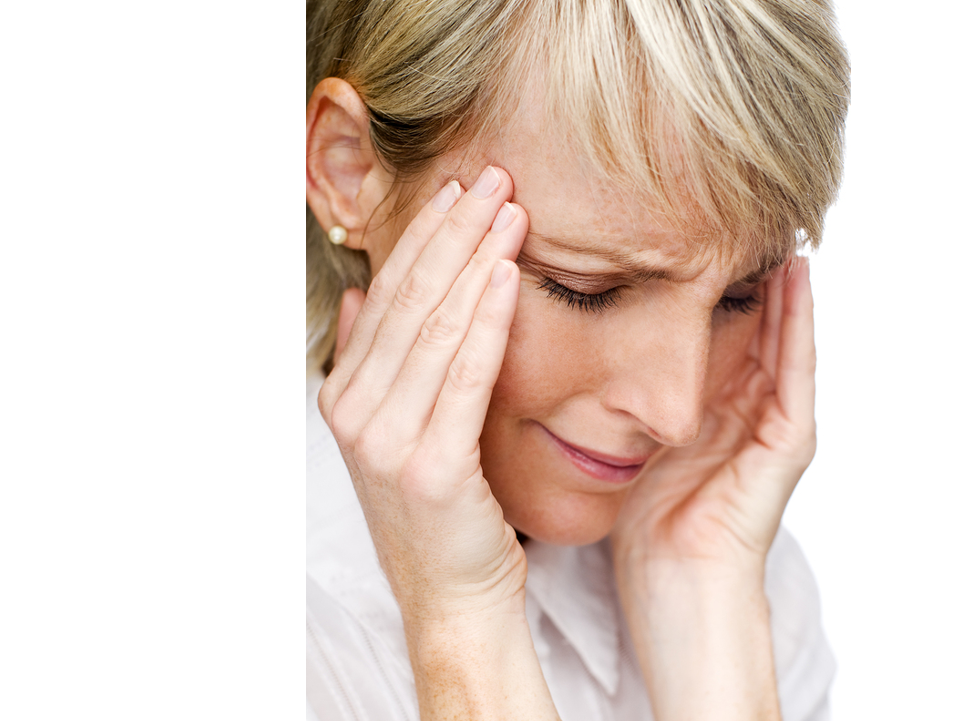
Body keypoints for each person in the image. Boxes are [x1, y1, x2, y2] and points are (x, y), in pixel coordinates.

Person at [305, 0, 849, 718]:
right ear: (349, 165)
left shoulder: (737, 566)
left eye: (737, 297)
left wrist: (700, 607)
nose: (676, 415)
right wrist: (459, 622)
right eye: (585, 289)